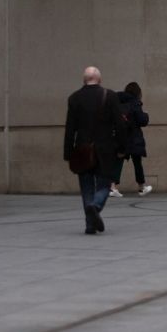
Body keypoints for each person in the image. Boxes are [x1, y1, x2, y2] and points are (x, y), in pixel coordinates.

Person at [63, 66, 124, 234]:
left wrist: (68, 152)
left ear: (84, 80)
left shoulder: (74, 98)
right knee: (104, 184)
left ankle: (90, 224)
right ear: (100, 79)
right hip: (105, 149)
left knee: (86, 187)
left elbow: (70, 129)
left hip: (82, 149)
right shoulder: (110, 96)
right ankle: (96, 205)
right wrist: (122, 147)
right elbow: (119, 125)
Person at [111, 82, 152, 197]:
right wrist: (146, 115)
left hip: (120, 136)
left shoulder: (118, 101)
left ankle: (113, 187)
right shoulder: (135, 103)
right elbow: (141, 121)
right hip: (134, 138)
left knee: (118, 161)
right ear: (138, 92)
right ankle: (141, 187)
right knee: (137, 162)